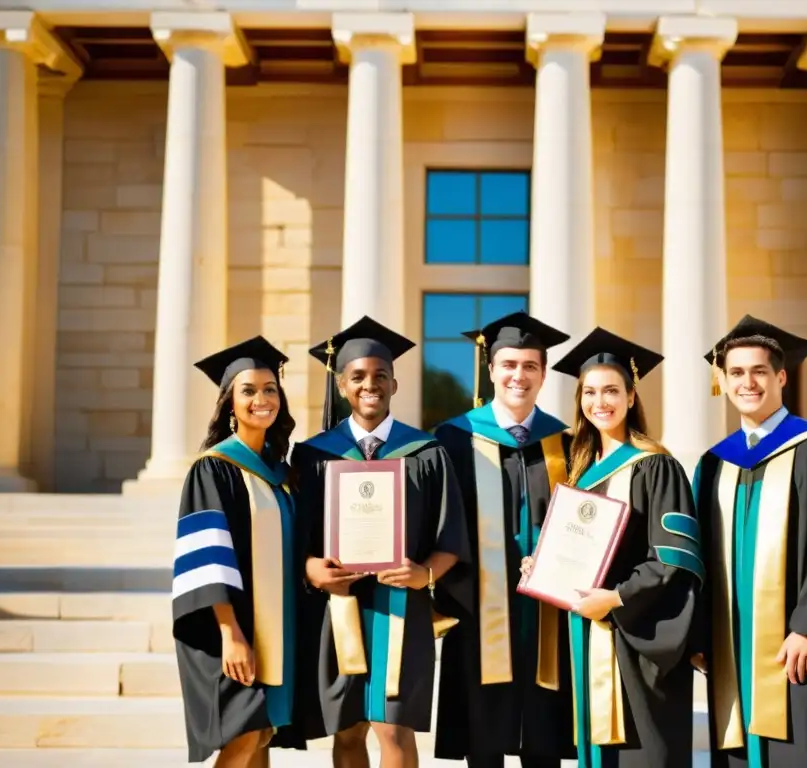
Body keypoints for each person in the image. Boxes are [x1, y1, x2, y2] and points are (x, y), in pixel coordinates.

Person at [693, 315, 807, 768]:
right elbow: (698, 558)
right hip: (733, 652)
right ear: (723, 381)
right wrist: (699, 633)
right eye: (736, 373)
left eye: (759, 371)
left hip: (799, 648)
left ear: (781, 377)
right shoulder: (714, 464)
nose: (747, 382)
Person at [291, 315, 472, 768]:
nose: (369, 385)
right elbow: (297, 538)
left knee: (394, 729)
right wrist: (312, 569)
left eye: (380, 376)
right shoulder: (315, 454)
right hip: (339, 608)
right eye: (357, 377)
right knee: (348, 731)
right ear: (341, 385)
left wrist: (425, 573)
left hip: (401, 608)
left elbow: (452, 536)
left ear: (395, 383)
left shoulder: (426, 452)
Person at [523, 327, 704, 768]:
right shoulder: (581, 471)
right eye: (589, 392)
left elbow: (673, 559)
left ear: (630, 395)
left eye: (611, 391)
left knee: (643, 754)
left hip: (638, 642)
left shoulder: (656, 466)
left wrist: (618, 598)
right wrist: (542, 565)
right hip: (589, 637)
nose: (599, 402)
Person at [433, 311, 577, 768]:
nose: (519, 375)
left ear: (542, 373)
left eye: (530, 366)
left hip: (546, 615)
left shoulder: (566, 442)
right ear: (491, 370)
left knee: (544, 743)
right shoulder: (454, 439)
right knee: (485, 742)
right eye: (509, 365)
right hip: (478, 611)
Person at [172, 336, 306, 766]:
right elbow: (208, 557)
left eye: (270, 389)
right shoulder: (213, 468)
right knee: (244, 735)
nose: (262, 399)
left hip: (277, 626)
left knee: (261, 732)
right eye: (248, 390)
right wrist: (231, 635)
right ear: (230, 402)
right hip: (231, 626)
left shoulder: (281, 472)